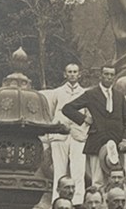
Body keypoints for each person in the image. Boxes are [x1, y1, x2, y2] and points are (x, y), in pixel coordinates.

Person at [63, 64, 126, 187]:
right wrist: (84, 118)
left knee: (122, 181)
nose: (109, 77)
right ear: (101, 75)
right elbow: (68, 108)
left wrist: (125, 140)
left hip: (118, 144)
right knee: (98, 182)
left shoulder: (119, 96)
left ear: (114, 77)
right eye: (106, 74)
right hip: (97, 143)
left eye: (112, 75)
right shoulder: (91, 94)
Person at [46, 62, 88, 206]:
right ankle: (57, 202)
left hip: (78, 135)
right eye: (69, 72)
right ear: (65, 74)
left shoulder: (84, 93)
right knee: (59, 169)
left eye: (75, 72)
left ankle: (77, 202)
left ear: (79, 74)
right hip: (59, 134)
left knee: (78, 170)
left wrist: (84, 132)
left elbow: (88, 115)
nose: (72, 74)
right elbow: (51, 113)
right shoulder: (57, 92)